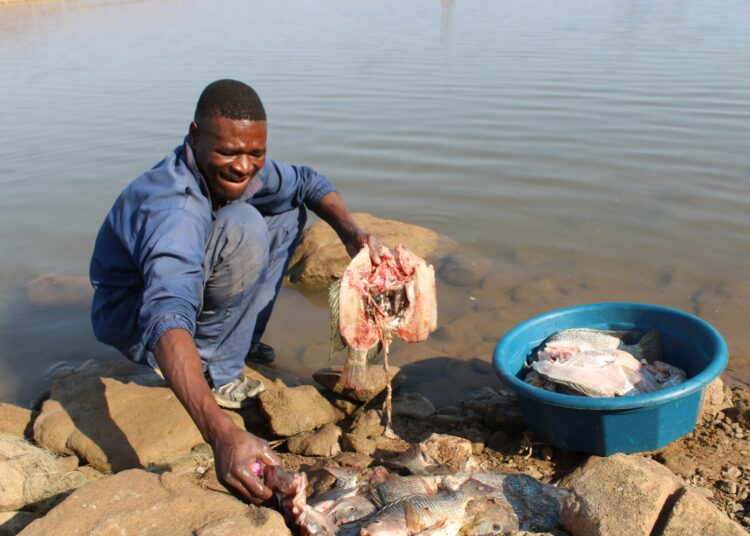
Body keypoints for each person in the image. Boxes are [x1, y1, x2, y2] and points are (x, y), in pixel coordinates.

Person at [89, 79, 386, 503]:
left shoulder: (248, 169)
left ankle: (235, 344)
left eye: (255, 153)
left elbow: (307, 181)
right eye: (228, 152)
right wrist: (220, 434)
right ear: (194, 135)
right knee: (245, 224)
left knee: (284, 213)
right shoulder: (174, 209)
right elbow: (165, 314)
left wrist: (354, 235)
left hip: (189, 275)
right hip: (135, 318)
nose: (243, 166)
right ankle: (219, 371)